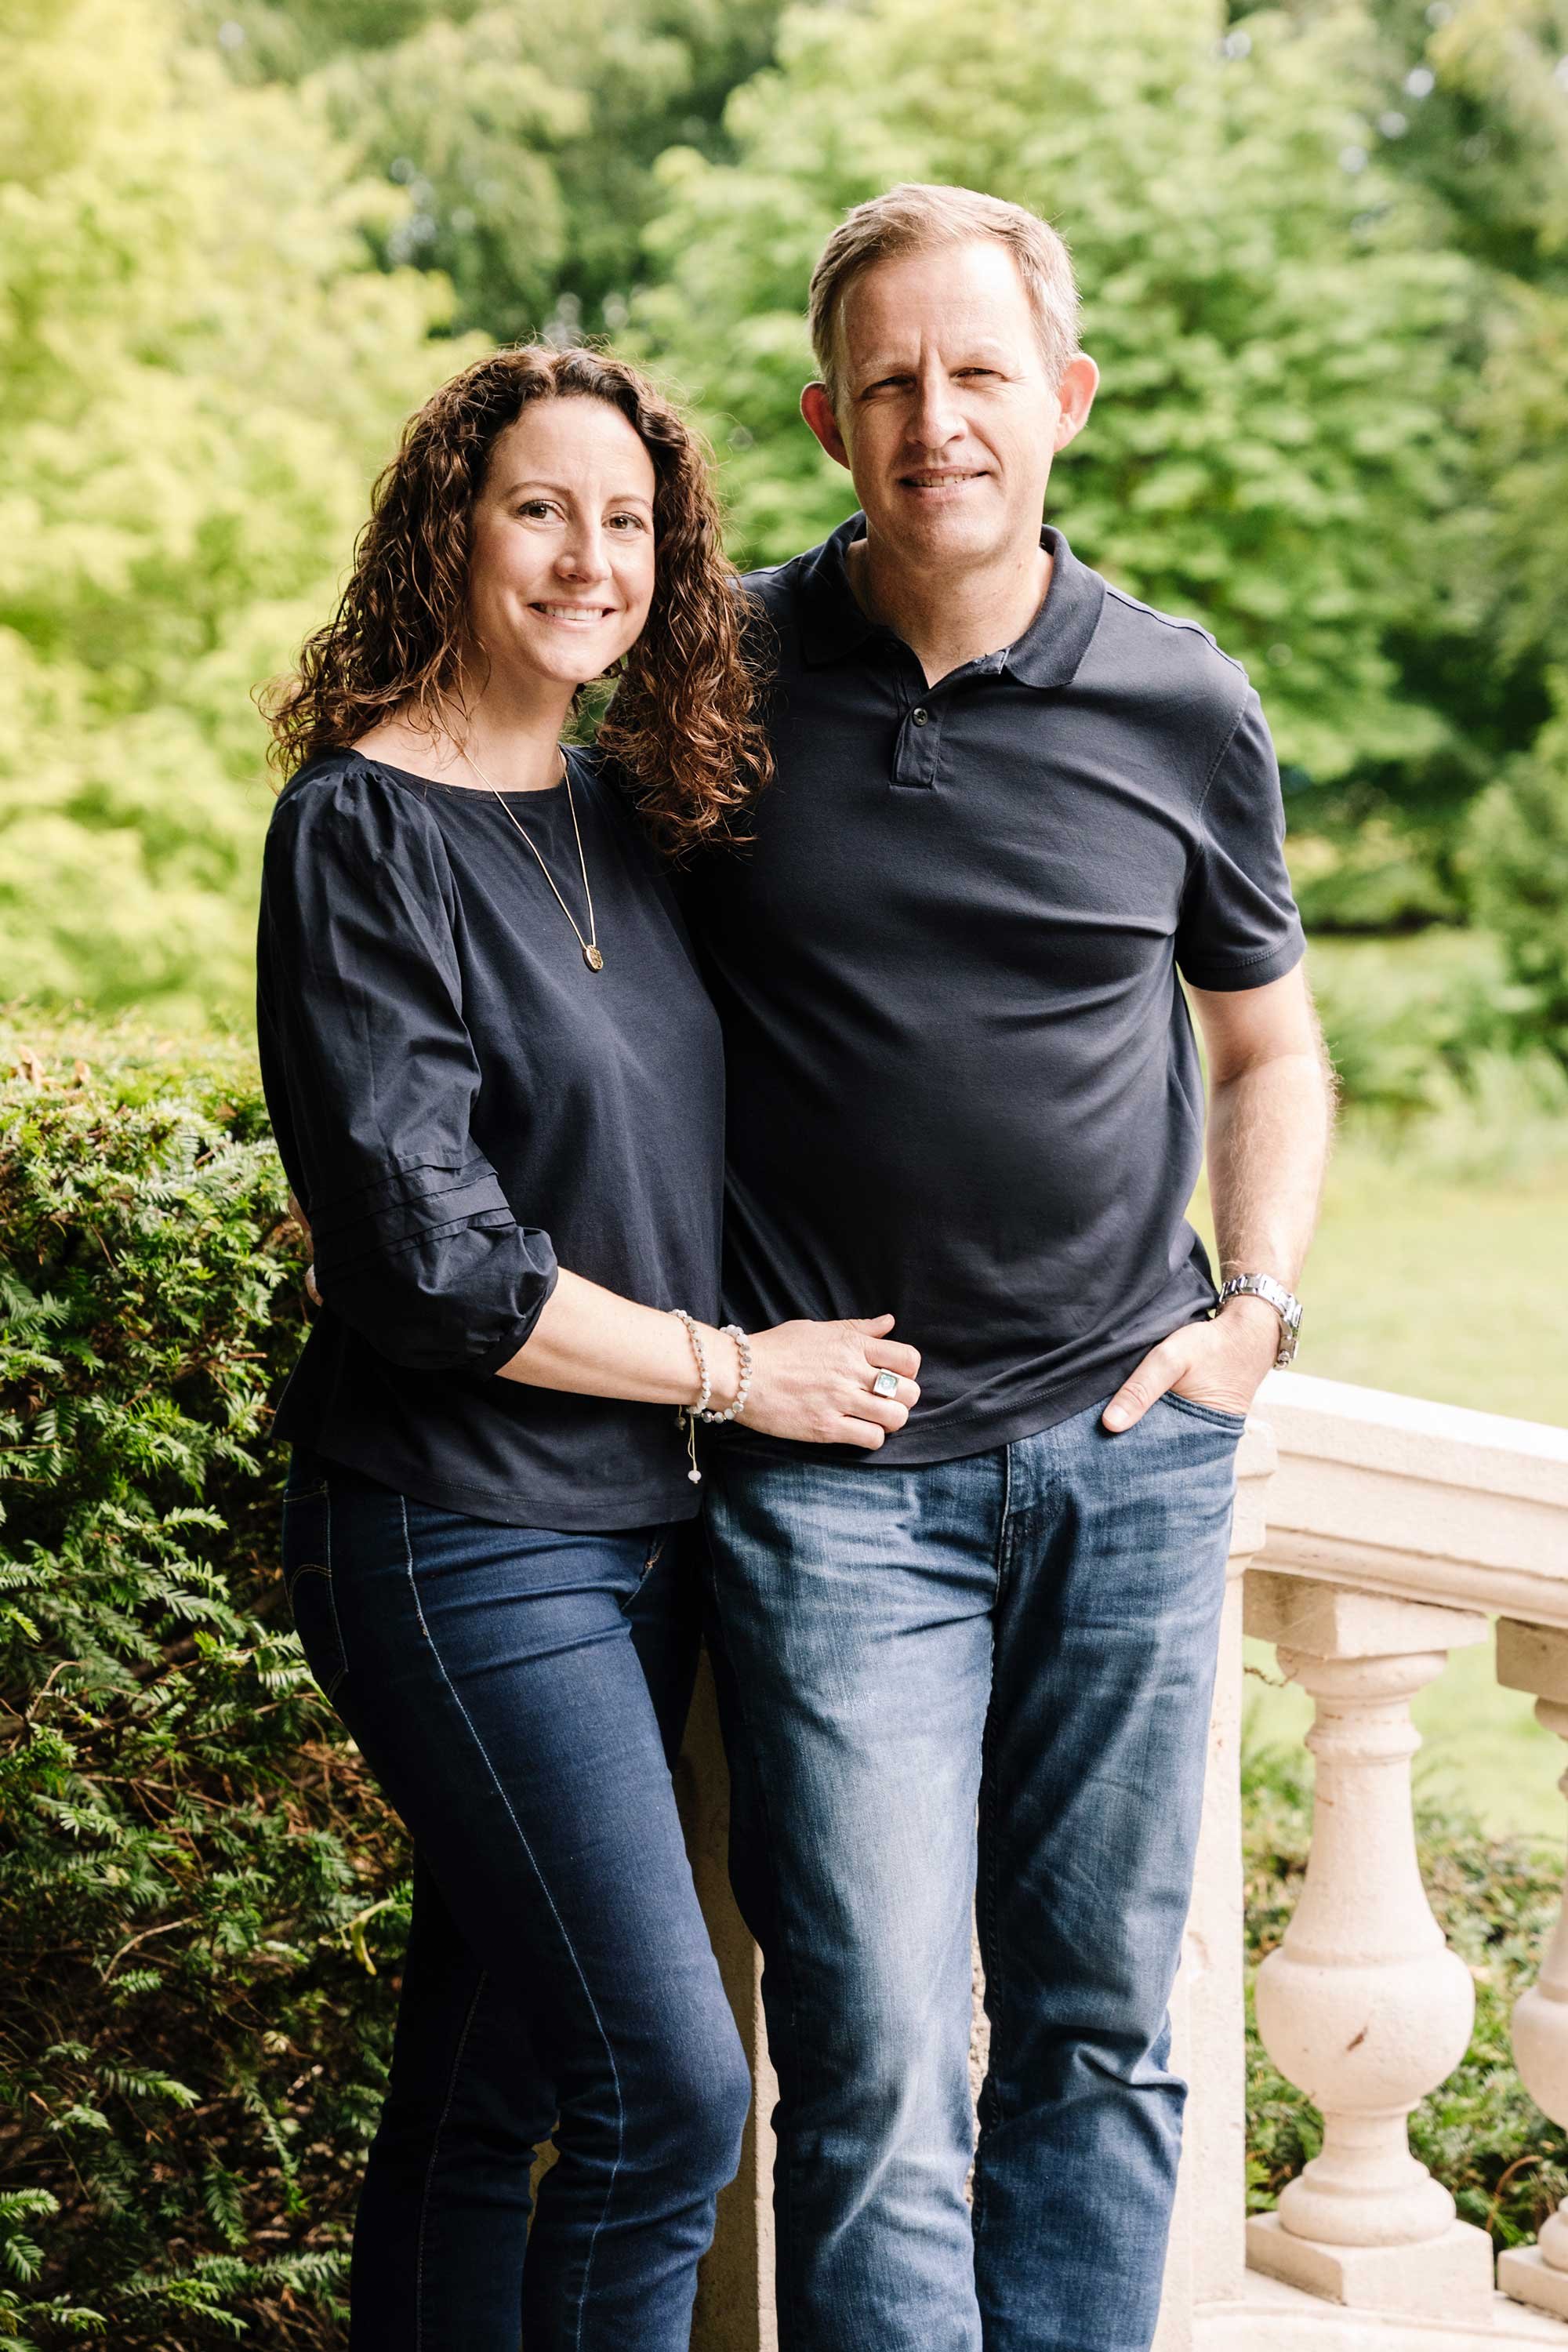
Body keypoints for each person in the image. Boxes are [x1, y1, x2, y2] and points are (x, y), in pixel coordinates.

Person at [679, 184, 1336, 2352]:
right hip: (837, 1489)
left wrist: (1254, 1315)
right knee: (871, 2066)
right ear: (824, 417)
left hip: (1128, 1457)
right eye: (889, 382)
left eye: (978, 375)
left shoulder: (1179, 699)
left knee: (1104, 2036)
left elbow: (1269, 1046)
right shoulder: (715, 687)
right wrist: (703, 1356)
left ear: (1062, 399)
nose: (934, 419)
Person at [252, 343, 922, 2352]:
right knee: (671, 2089)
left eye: (626, 521)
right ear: (449, 529)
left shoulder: (627, 815)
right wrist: (742, 1373)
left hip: (641, 1541)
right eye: (539, 507)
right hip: (459, 1540)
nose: (587, 556)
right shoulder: (357, 831)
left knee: (490, 2090)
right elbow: (434, 1262)